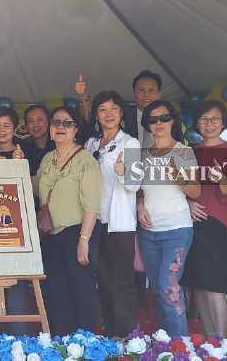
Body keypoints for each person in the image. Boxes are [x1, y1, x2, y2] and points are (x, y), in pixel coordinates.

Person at [181, 100, 227, 337]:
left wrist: (222, 179)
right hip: (191, 223)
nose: (209, 124)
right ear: (196, 122)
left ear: (224, 122)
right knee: (198, 283)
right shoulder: (190, 151)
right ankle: (211, 341)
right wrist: (187, 203)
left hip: (217, 224)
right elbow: (179, 187)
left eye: (214, 119)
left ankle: (222, 342)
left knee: (216, 284)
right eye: (204, 119)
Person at [136, 100, 199, 337]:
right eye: (153, 120)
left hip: (177, 230)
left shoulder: (183, 150)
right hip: (148, 232)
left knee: (168, 287)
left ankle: (180, 345)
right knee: (158, 289)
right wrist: (139, 204)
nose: (159, 123)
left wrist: (177, 175)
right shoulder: (142, 154)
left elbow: (195, 191)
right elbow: (138, 189)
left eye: (164, 118)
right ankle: (165, 344)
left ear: (173, 120)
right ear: (147, 125)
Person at [36, 106, 101, 335]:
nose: (61, 127)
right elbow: (34, 188)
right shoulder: (47, 159)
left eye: (67, 123)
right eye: (56, 122)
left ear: (76, 130)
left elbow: (92, 205)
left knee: (81, 288)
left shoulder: (86, 160)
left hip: (77, 233)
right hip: (51, 236)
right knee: (57, 289)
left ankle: (87, 343)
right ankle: (63, 342)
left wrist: (84, 239)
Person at [83, 90, 141, 337]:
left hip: (120, 224)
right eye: (103, 109)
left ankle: (126, 336)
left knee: (122, 282)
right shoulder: (91, 144)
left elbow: (135, 184)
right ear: (96, 114)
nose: (109, 114)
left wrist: (121, 171)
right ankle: (109, 333)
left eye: (114, 109)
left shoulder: (131, 143)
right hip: (95, 222)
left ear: (121, 113)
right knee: (103, 281)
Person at [19, 105, 55, 175]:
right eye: (30, 121)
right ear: (26, 126)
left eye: (40, 120)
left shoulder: (59, 145)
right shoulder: (21, 148)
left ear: (49, 122)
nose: (36, 125)